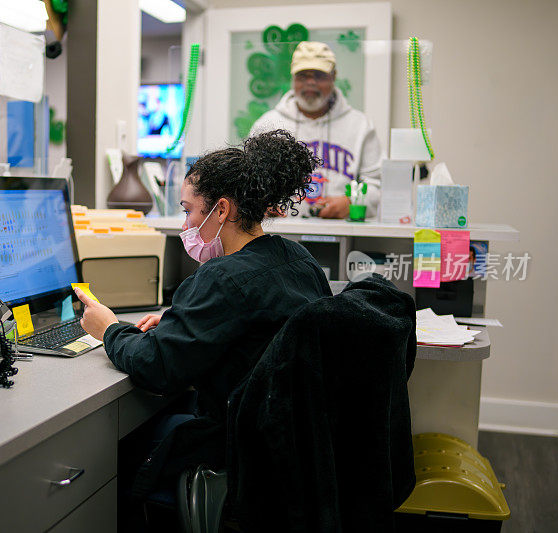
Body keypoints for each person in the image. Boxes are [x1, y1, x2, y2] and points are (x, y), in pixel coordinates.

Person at [74, 130, 333, 511]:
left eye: (189, 210)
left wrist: (109, 329)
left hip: (240, 446)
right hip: (293, 445)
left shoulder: (221, 277)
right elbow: (254, 334)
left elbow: (155, 367)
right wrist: (184, 323)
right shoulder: (299, 259)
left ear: (222, 210)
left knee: (116, 455)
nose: (185, 226)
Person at [249, 41, 384, 219]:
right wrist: (262, 203)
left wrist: (352, 202)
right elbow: (249, 183)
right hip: (279, 235)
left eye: (319, 75)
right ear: (293, 79)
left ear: (333, 77)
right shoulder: (268, 125)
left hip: (344, 235)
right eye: (303, 76)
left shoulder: (360, 126)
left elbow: (380, 186)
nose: (310, 83)